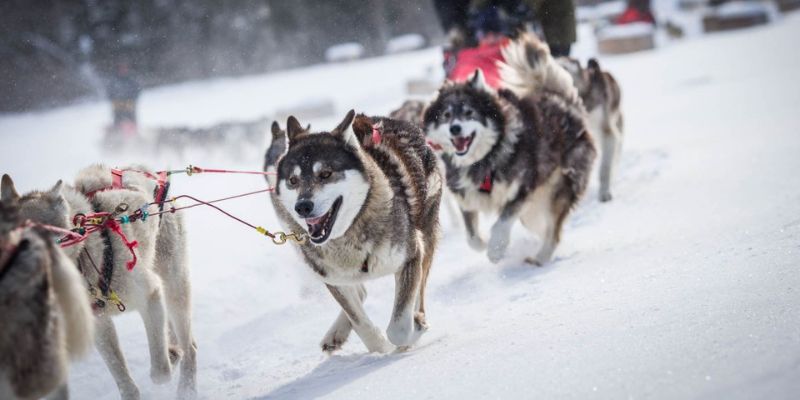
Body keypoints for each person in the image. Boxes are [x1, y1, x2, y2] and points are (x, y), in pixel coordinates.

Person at [107, 62, 141, 136]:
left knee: (131, 120)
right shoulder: (114, 80)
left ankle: (134, 135)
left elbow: (137, 90)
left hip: (129, 102)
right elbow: (110, 92)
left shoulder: (131, 79)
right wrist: (115, 99)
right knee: (118, 120)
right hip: (117, 103)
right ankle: (117, 135)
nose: (123, 70)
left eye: (125, 68)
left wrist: (132, 99)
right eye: (121, 68)